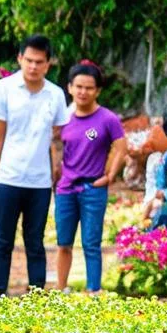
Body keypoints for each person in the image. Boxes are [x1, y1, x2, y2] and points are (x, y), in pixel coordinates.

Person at [0, 35, 70, 295]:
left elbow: (57, 139)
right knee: (2, 241)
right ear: (20, 59)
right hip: (9, 177)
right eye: (29, 60)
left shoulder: (55, 95)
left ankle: (36, 296)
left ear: (48, 64)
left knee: (35, 241)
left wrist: (58, 171)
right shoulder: (4, 88)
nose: (33, 67)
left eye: (39, 62)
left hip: (40, 182)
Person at [55, 62, 126, 292]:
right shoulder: (63, 117)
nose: (83, 92)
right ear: (69, 87)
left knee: (91, 244)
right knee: (63, 243)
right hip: (66, 188)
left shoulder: (107, 119)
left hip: (93, 189)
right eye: (78, 87)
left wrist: (110, 176)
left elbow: (121, 147)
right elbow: (55, 144)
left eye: (89, 88)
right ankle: (61, 287)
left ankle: (93, 290)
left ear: (97, 90)